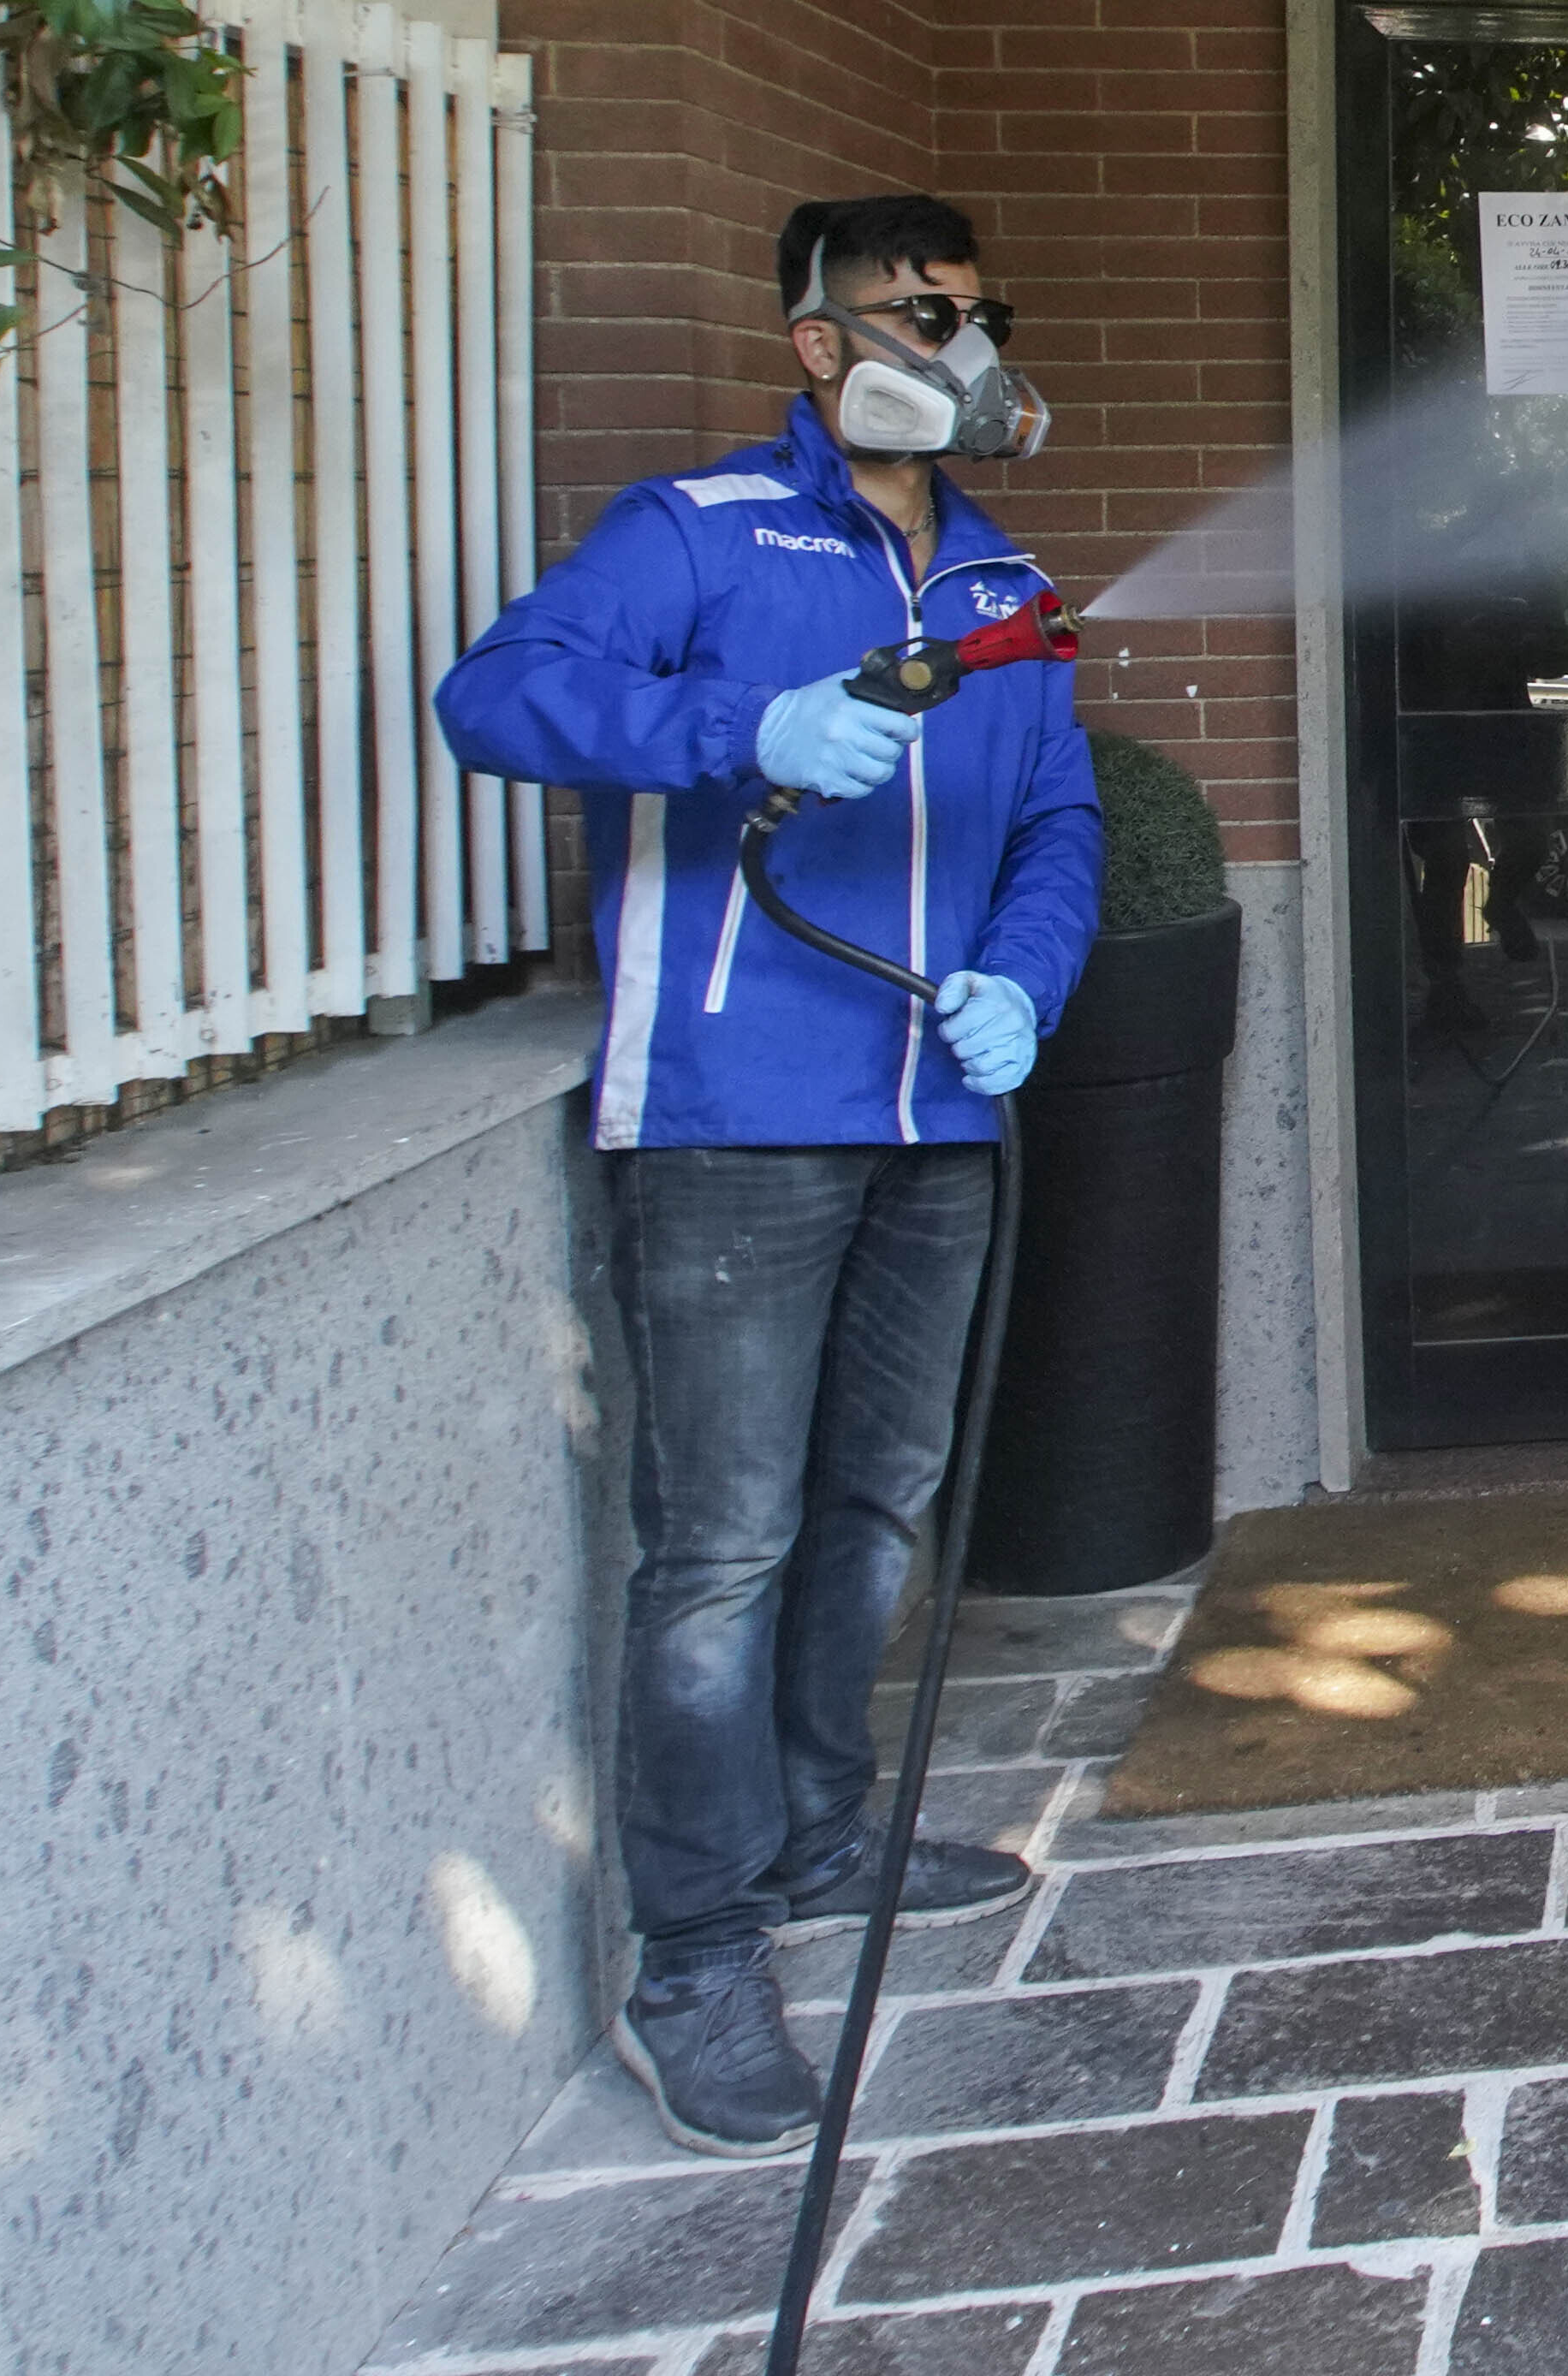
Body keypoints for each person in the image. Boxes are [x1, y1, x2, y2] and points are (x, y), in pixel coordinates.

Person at [435, 193, 1107, 2154]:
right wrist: (746, 725)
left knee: (876, 1506)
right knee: (719, 1551)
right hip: (737, 1119)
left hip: (938, 1112)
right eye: (920, 313)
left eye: (977, 310)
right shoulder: (699, 534)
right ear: (820, 343)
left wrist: (1027, 977)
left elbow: (1060, 816)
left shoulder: (1003, 578)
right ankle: (694, 1958)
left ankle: (820, 1836)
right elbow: (496, 695)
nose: (961, 345)